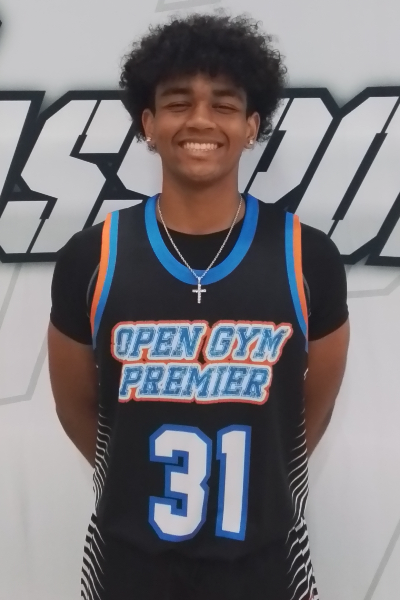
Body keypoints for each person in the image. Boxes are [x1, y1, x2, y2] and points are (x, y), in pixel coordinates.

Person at [48, 12, 349, 600]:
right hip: (127, 566)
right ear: (148, 123)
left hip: (266, 565)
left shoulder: (307, 257)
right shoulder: (92, 257)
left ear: (252, 125)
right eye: (178, 103)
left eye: (225, 105)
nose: (201, 121)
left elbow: (308, 409)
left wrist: (265, 479)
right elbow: (77, 407)